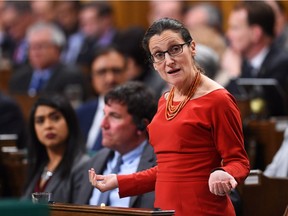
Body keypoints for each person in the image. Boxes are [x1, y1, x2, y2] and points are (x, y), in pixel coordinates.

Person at [88, 18, 250, 216]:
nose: (169, 61)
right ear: (154, 64)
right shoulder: (165, 100)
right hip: (166, 211)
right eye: (159, 55)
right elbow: (167, 170)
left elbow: (239, 161)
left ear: (192, 48)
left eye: (175, 49)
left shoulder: (218, 99)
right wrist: (119, 181)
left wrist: (223, 173)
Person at [74, 81, 157, 208]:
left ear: (142, 125)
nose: (103, 124)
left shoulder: (159, 165)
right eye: (104, 114)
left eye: (114, 116)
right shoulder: (92, 163)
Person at [223, 1, 288, 117]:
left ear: (255, 33)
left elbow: (253, 113)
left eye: (235, 28)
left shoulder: (281, 64)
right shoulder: (242, 63)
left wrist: (234, 75)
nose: (228, 34)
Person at [21, 93, 89, 203]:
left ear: (69, 122)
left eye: (55, 118)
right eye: (40, 121)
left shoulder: (83, 166)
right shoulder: (39, 165)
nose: (48, 126)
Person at [8, 21, 88, 107]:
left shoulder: (71, 76)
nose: (35, 52)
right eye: (32, 47)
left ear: (57, 49)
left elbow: (74, 109)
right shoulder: (18, 77)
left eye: (41, 46)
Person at [76, 45, 128, 154]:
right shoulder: (81, 113)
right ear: (92, 78)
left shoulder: (139, 112)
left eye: (116, 71)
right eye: (102, 72)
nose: (110, 79)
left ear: (127, 73)